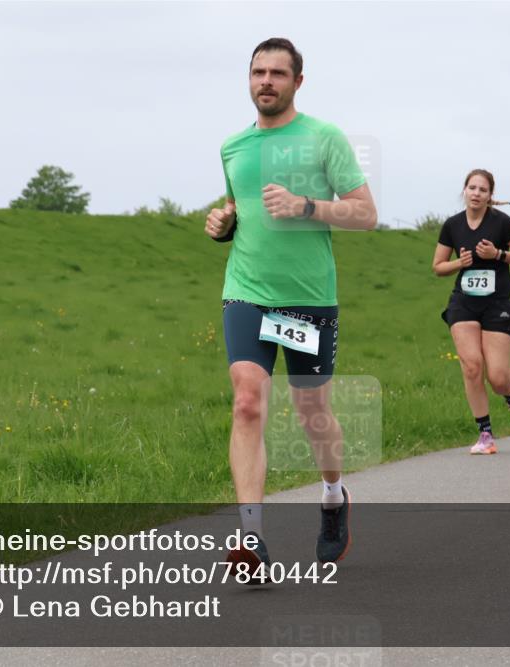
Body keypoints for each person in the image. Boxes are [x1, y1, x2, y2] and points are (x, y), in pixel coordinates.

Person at [205, 38, 376, 579]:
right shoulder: (233, 146)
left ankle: (332, 495)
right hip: (248, 290)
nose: (267, 81)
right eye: (258, 72)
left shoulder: (323, 138)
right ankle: (251, 539)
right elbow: (240, 208)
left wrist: (307, 206)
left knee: (312, 412)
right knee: (247, 402)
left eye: (279, 73)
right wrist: (223, 224)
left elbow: (365, 213)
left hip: (308, 298)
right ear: (248, 78)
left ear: (298, 82)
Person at [433, 169, 510, 455]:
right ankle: (485, 434)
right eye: (472, 188)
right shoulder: (452, 225)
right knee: (471, 366)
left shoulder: (501, 223)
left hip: (497, 304)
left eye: (483, 189)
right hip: (463, 303)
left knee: (498, 376)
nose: (476, 193)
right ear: (464, 190)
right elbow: (438, 266)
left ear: (491, 195)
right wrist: (459, 263)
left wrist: (499, 255)